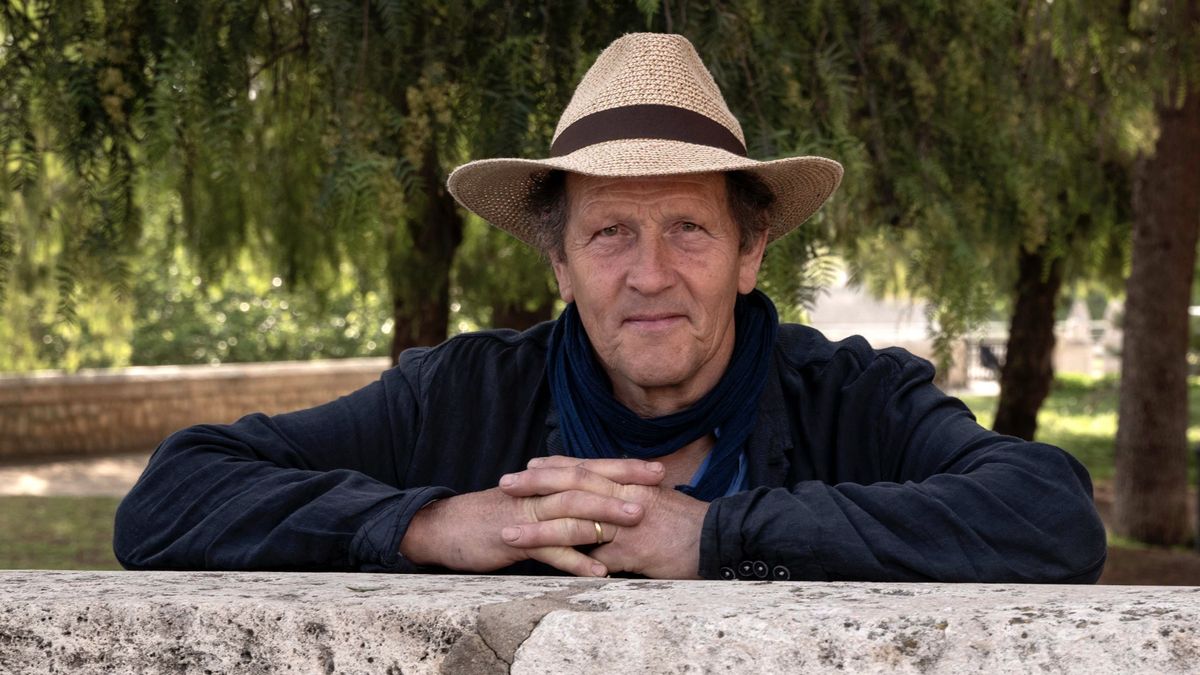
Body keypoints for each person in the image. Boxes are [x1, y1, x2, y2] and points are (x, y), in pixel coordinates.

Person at [114, 33, 1107, 582]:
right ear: (557, 264)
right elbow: (172, 497)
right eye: (608, 234)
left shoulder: (852, 396)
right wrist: (432, 525)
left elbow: (1051, 516)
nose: (649, 274)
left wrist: (714, 537)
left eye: (689, 229)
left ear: (751, 250)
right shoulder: (461, 395)